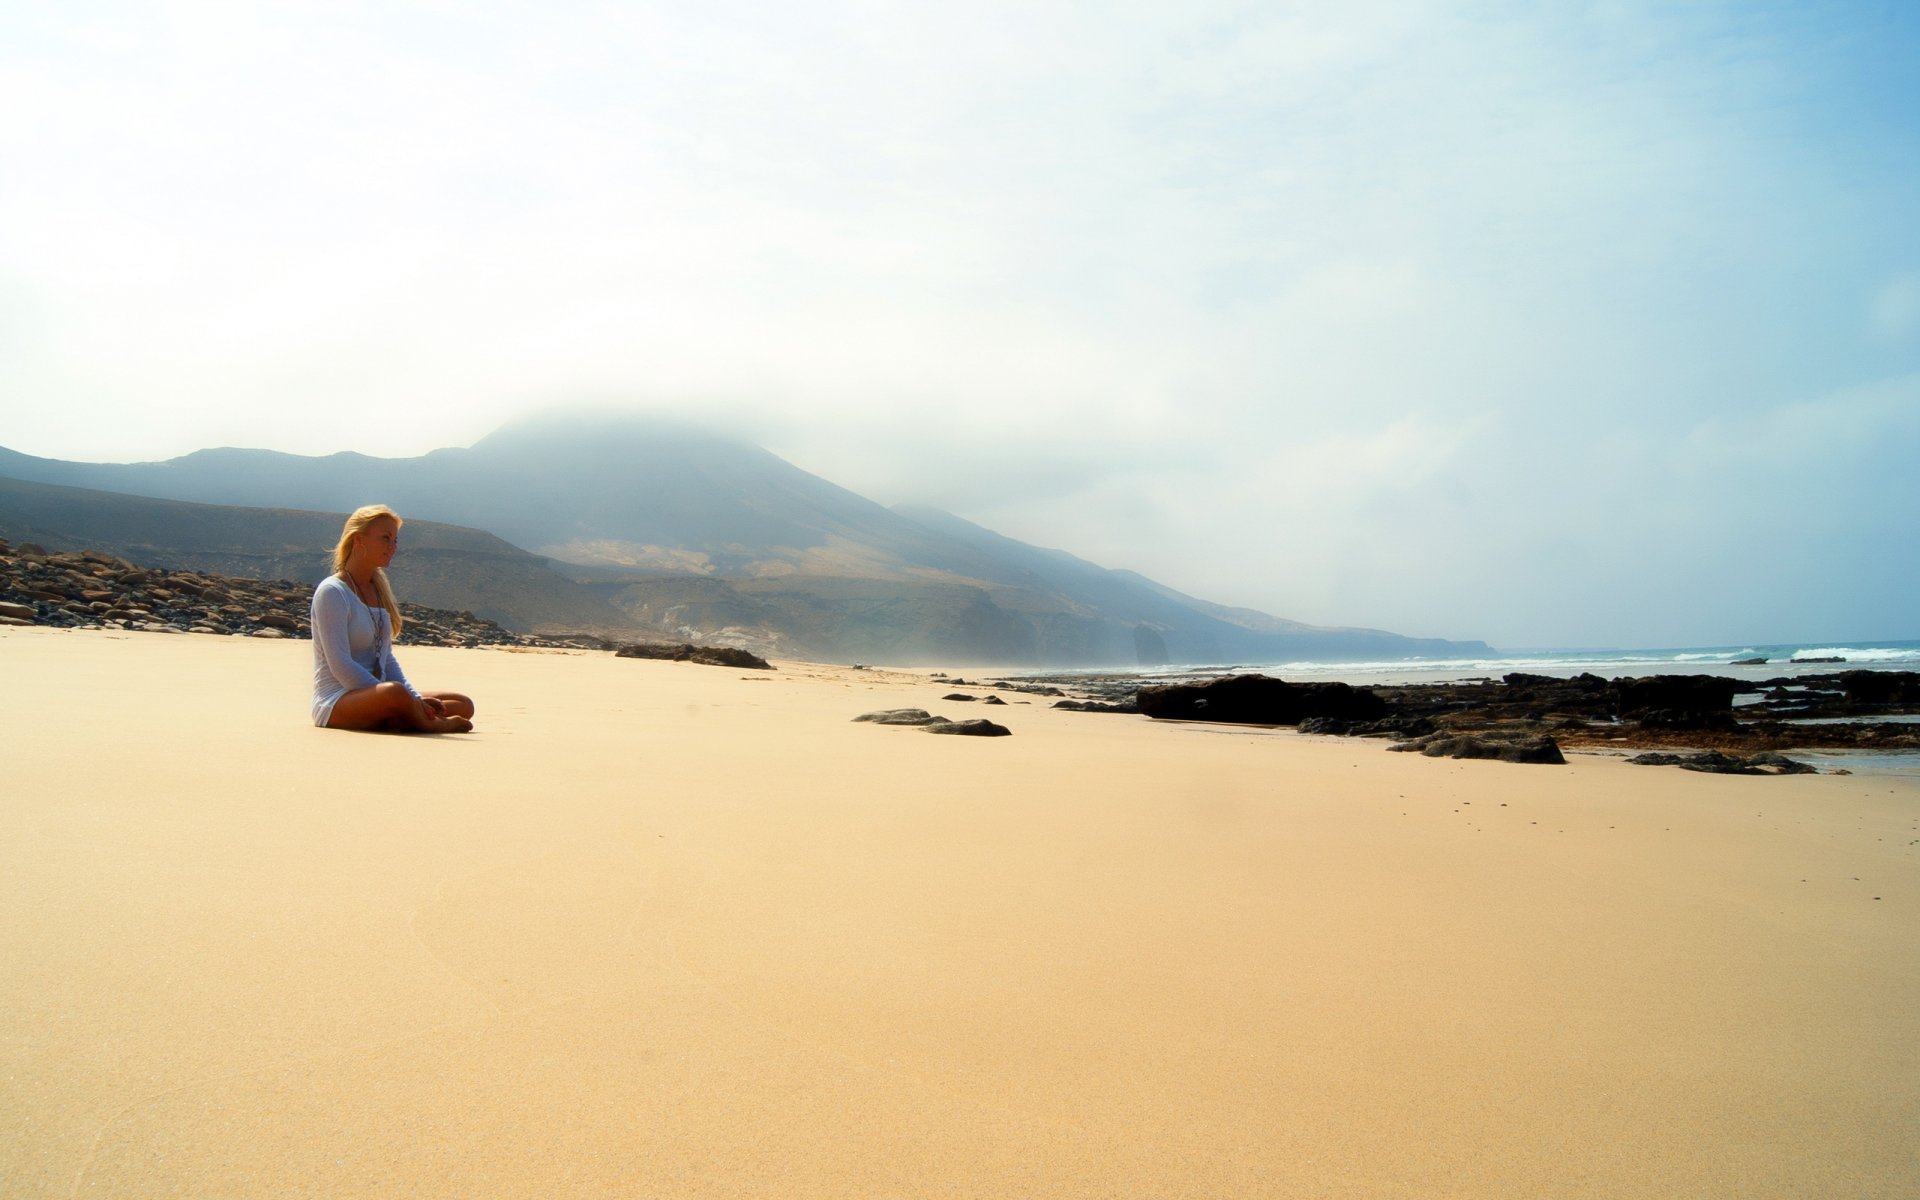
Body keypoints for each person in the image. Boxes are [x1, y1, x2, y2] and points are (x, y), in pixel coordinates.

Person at [310, 505, 476, 733]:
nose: (392, 547)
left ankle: (403, 717)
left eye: (395, 540)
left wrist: (415, 698)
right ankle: (429, 723)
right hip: (338, 699)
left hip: (381, 693)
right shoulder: (332, 592)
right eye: (386, 538)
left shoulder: (377, 590)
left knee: (462, 704)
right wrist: (402, 699)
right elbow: (340, 665)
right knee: (395, 692)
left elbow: (387, 659)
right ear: (359, 540)